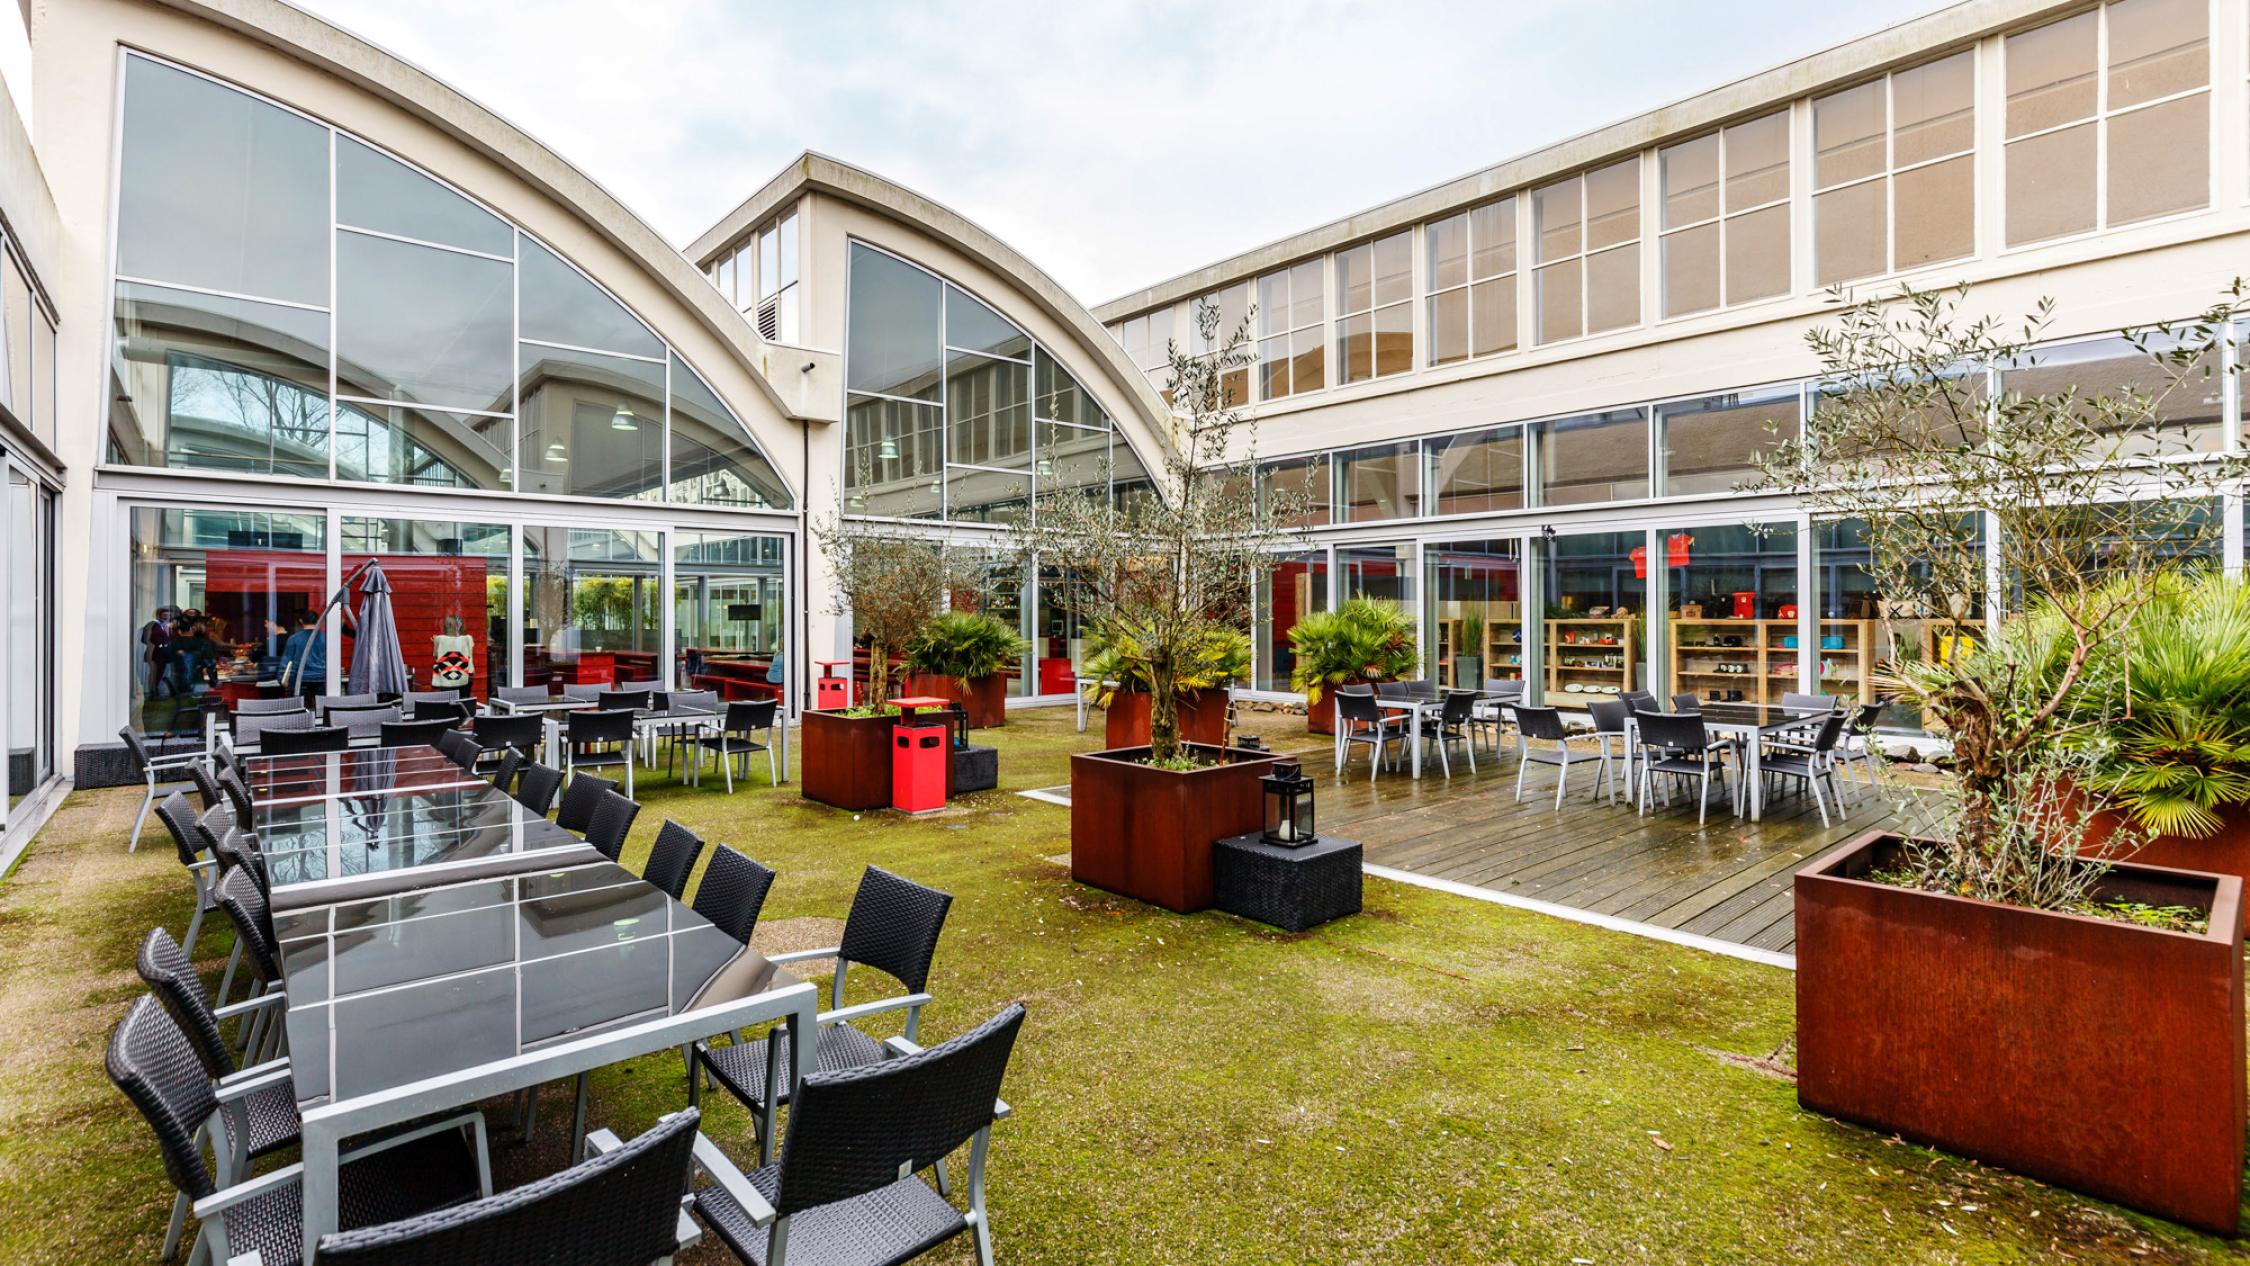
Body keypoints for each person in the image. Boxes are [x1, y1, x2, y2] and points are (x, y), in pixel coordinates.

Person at [280, 611, 326, 701]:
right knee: (322, 710)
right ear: (317, 621)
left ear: (301, 621)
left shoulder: (294, 638)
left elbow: (286, 660)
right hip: (320, 677)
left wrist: (281, 678)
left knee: (298, 709)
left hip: (300, 679)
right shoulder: (325, 638)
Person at [431, 613, 475, 693]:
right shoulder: (468, 639)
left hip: (444, 682)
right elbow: (470, 658)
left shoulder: (439, 639)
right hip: (463, 682)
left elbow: (436, 657)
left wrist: (436, 643)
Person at [139, 607, 174, 699]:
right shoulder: (153, 624)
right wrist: (155, 645)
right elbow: (145, 639)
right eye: (164, 615)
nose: (166, 617)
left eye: (168, 615)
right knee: (154, 673)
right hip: (155, 652)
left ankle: (157, 691)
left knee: (161, 673)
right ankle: (153, 692)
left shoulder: (168, 626)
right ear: (159, 615)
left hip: (165, 653)